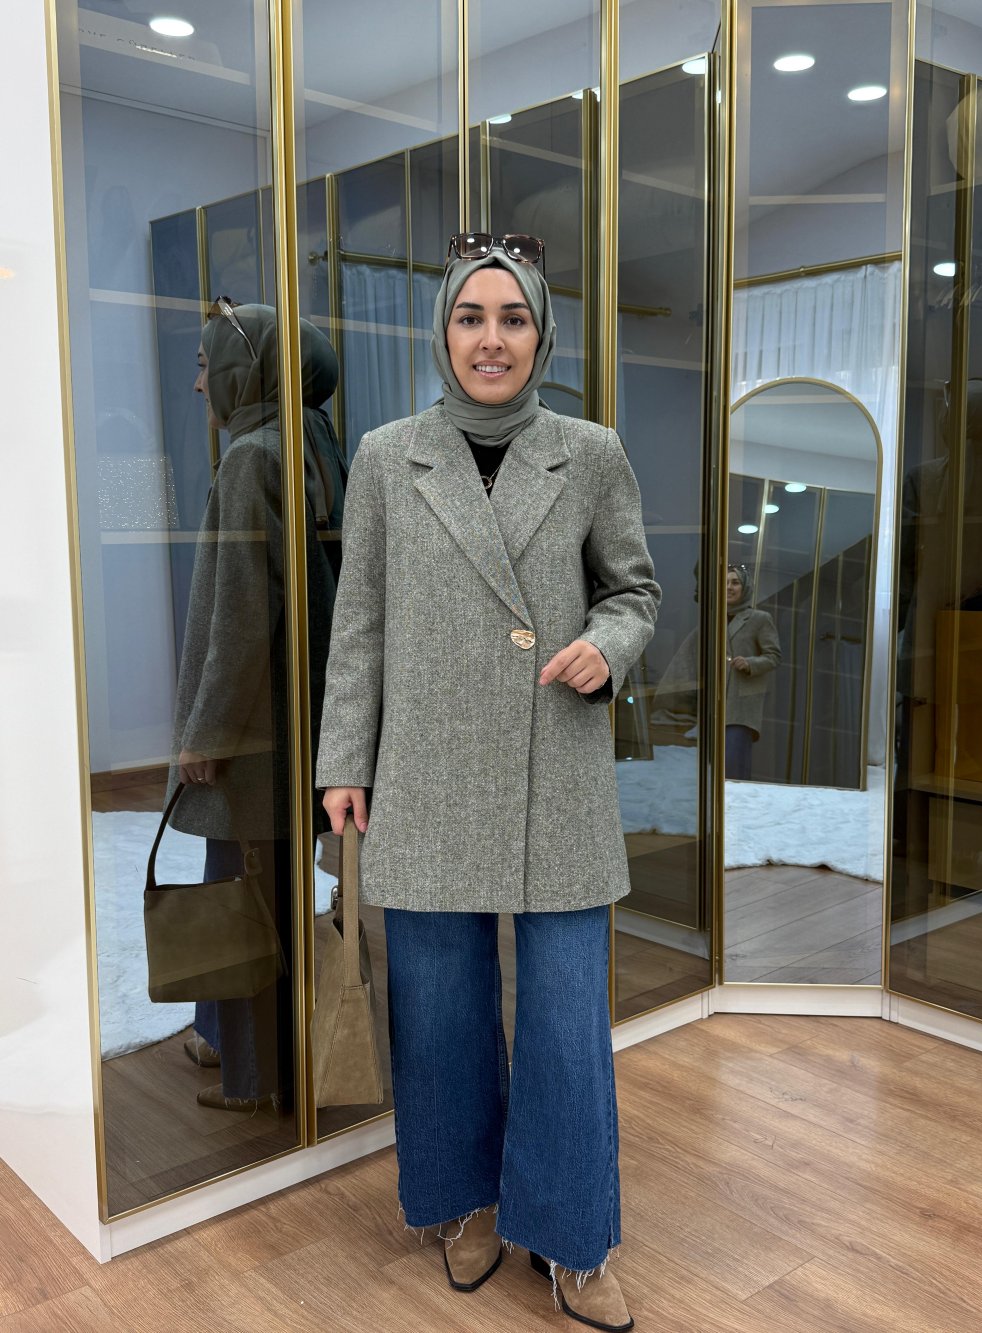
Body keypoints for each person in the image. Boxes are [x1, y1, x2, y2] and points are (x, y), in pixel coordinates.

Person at [317, 233, 660, 1331]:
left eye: (513, 318)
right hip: (425, 764)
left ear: (542, 334)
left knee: (565, 1022)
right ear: (444, 332)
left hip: (554, 764)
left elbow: (635, 590)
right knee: (439, 1009)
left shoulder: (589, 452)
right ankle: (463, 1200)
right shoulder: (386, 456)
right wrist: (343, 759)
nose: (491, 339)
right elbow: (359, 622)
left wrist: (609, 644)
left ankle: (572, 1235)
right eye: (472, 317)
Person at [168, 300, 347, 1112]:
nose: (199, 382)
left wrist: (205, 731)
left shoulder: (251, 458)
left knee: (242, 895)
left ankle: (252, 1074)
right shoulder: (314, 442)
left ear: (245, 371)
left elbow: (240, 613)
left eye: (207, 364)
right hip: (301, 719)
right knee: (260, 886)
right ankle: (219, 1033)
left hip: (257, 728)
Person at [723, 563, 780, 779]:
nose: (729, 587)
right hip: (712, 705)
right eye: (725, 583)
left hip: (741, 707)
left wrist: (750, 664)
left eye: (735, 582)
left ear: (745, 587)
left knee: (733, 768)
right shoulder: (712, 617)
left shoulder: (759, 618)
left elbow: (774, 656)